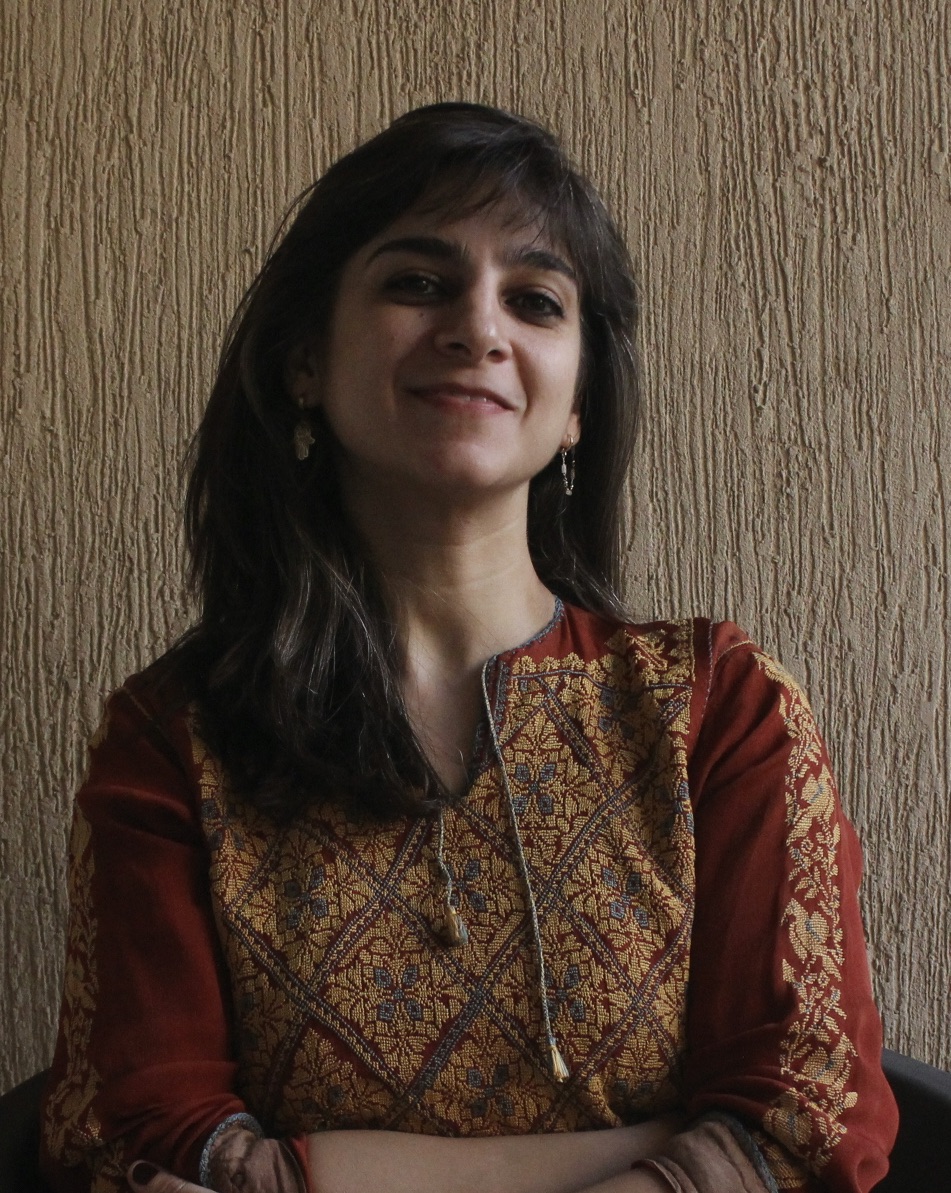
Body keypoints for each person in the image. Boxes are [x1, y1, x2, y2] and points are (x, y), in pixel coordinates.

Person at [40, 103, 897, 1193]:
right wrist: (656, 1142)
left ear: (578, 401)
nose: (479, 328)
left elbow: (806, 1119)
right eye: (417, 283)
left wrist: (302, 1171)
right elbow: (130, 1136)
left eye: (534, 300)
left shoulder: (717, 709)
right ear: (307, 357)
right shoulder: (176, 737)